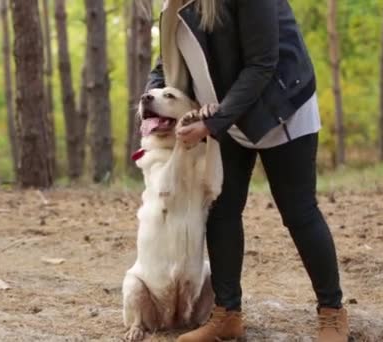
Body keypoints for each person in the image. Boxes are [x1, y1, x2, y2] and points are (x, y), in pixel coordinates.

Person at [143, 1, 348, 341]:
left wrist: (213, 122)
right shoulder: (174, 7)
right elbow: (169, 63)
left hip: (280, 105)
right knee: (221, 209)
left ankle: (332, 312)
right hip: (225, 114)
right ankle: (227, 313)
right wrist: (150, 98)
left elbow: (261, 64)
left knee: (298, 211)